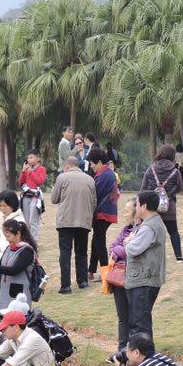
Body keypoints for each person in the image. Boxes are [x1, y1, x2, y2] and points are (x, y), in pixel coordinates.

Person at [124, 191, 167, 339]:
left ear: (144, 206)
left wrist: (128, 241)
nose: (136, 207)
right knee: (140, 321)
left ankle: (144, 357)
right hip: (146, 279)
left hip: (144, 281)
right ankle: (143, 356)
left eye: (137, 203)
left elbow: (132, 249)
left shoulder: (149, 227)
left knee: (140, 324)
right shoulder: (153, 222)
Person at [51, 155, 96, 294]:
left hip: (66, 221)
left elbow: (54, 199)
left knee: (65, 252)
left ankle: (65, 285)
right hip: (84, 220)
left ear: (67, 166)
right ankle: (82, 281)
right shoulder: (90, 179)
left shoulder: (62, 178)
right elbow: (94, 202)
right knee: (81, 252)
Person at [140, 144, 183, 261]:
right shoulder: (175, 171)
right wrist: (169, 193)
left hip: (151, 208)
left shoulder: (151, 169)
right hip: (169, 207)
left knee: (149, 232)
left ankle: (146, 255)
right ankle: (179, 257)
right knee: (173, 231)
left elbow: (143, 188)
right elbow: (180, 187)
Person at [109, 198, 138, 350]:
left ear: (136, 212)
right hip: (118, 278)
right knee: (122, 316)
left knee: (134, 316)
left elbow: (131, 252)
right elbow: (112, 248)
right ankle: (121, 350)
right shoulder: (125, 230)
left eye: (127, 211)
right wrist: (121, 248)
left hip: (132, 277)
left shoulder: (141, 230)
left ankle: (134, 349)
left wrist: (120, 250)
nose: (124, 214)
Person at [88, 147, 119, 281]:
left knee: (99, 242)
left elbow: (94, 194)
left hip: (103, 213)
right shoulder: (108, 173)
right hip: (107, 212)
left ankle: (105, 272)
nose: (91, 166)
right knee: (96, 240)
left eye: (92, 163)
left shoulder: (104, 175)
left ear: (99, 162)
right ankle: (91, 271)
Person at [0, 190, 25, 264]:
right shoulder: (3, 217)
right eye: (0, 206)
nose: (2, 208)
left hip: (10, 262)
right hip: (2, 261)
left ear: (13, 205)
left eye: (5, 206)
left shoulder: (17, 221)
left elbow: (13, 247)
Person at [18, 148, 47, 241]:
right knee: (26, 221)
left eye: (31, 158)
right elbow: (20, 182)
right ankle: (27, 240)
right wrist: (23, 171)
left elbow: (39, 182)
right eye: (28, 158)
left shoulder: (41, 169)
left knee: (33, 221)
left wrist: (31, 172)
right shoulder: (26, 169)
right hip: (26, 197)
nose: (29, 160)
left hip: (35, 197)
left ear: (37, 158)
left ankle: (34, 241)